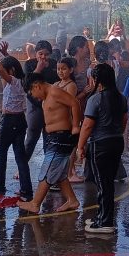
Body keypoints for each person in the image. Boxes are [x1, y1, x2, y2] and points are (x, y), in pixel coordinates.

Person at [17, 72, 82, 213]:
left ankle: (35, 203)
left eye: (32, 92)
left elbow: (74, 103)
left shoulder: (54, 92)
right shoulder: (47, 96)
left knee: (47, 171)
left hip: (61, 138)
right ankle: (72, 200)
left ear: (37, 86)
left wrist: (76, 126)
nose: (33, 96)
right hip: (55, 138)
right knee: (59, 173)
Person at [78, 63, 126, 234]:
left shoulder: (95, 99)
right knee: (108, 182)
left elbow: (87, 126)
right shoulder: (120, 97)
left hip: (100, 144)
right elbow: (123, 121)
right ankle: (102, 217)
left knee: (102, 184)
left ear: (96, 79)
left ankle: (105, 222)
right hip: (116, 142)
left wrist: (80, 146)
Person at [0, 44, 32, 201]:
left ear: (12, 72)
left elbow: (2, 70)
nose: (2, 77)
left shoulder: (14, 82)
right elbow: (8, 67)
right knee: (20, 156)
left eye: (5, 75)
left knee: (1, 153)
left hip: (9, 121)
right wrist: (5, 54)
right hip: (20, 120)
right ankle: (26, 189)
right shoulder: (22, 81)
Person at [22, 40, 59, 164]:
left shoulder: (54, 65)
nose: (43, 57)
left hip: (51, 106)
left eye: (46, 54)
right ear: (36, 53)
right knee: (32, 137)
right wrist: (38, 69)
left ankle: (48, 166)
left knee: (49, 137)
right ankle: (22, 167)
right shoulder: (29, 65)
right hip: (35, 106)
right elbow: (27, 84)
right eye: (40, 54)